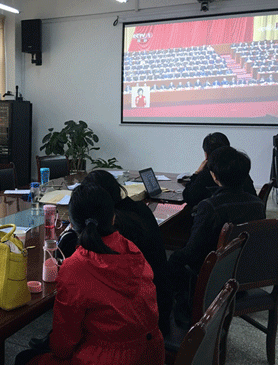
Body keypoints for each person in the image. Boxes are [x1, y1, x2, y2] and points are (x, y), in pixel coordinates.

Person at [16, 183, 164, 365]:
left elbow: (63, 346)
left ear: (71, 224)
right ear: (113, 218)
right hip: (150, 353)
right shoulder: (132, 249)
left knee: (25, 358)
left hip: (106, 359)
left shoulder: (76, 267)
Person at [62, 170, 173, 335]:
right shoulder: (139, 208)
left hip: (139, 320)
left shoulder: (114, 226)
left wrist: (69, 234)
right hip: (157, 304)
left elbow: (79, 261)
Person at [168, 147, 265, 322]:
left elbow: (192, 251)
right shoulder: (258, 204)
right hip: (244, 271)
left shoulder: (209, 207)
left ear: (214, 176)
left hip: (215, 276)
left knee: (173, 260)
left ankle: (181, 312)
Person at [183, 132, 256, 209]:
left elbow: (189, 197)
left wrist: (197, 173)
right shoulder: (240, 170)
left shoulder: (208, 174)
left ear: (206, 155)